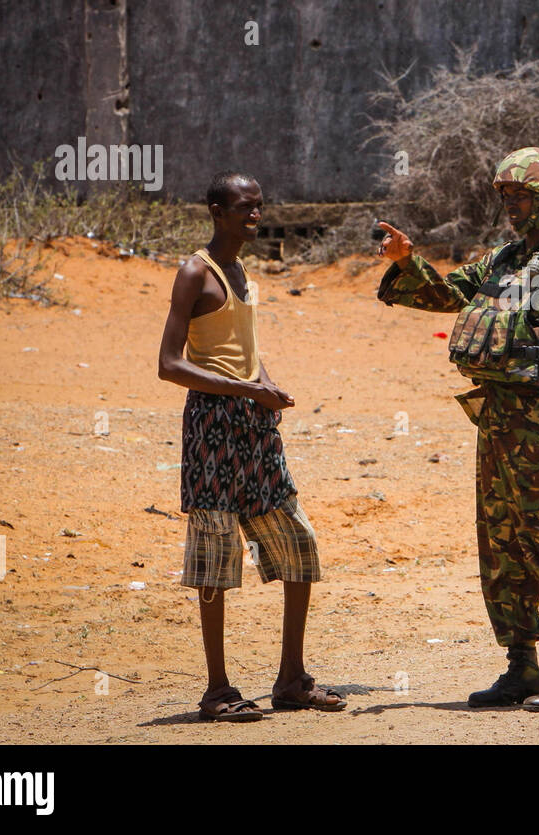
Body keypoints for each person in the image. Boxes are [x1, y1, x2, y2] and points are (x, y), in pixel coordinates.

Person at [375, 147, 539, 712]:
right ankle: (521, 665)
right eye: (506, 194)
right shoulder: (504, 260)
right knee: (502, 544)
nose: (511, 203)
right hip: (497, 420)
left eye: (522, 194)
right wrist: (406, 261)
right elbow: (446, 296)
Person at [157, 170, 345, 721]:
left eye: (259, 206)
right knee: (215, 557)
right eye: (244, 207)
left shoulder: (242, 271)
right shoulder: (197, 270)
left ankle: (291, 680)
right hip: (212, 426)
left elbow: (241, 347)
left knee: (298, 544)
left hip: (253, 426)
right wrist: (245, 388)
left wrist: (265, 384)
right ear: (216, 211)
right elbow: (169, 365)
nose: (255, 215)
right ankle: (217, 691)